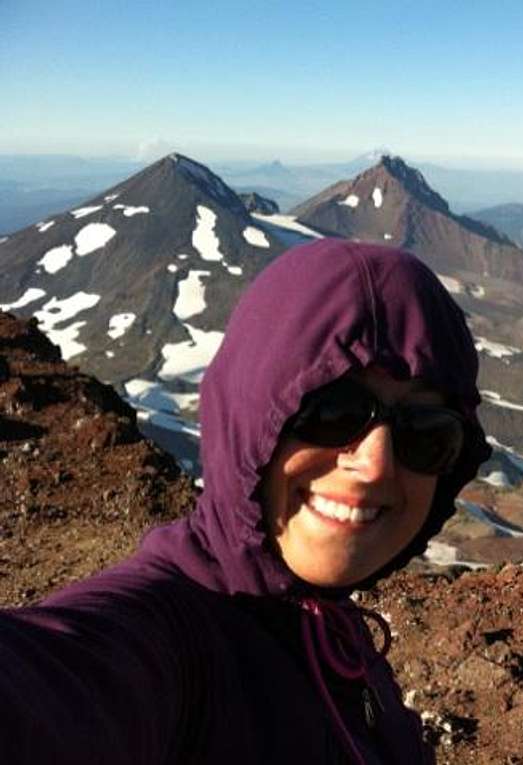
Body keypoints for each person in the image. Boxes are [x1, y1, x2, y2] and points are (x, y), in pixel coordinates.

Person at [0, 240, 492, 763]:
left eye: (426, 432)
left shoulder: (329, 631)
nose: (375, 465)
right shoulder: (169, 642)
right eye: (332, 412)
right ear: (252, 415)